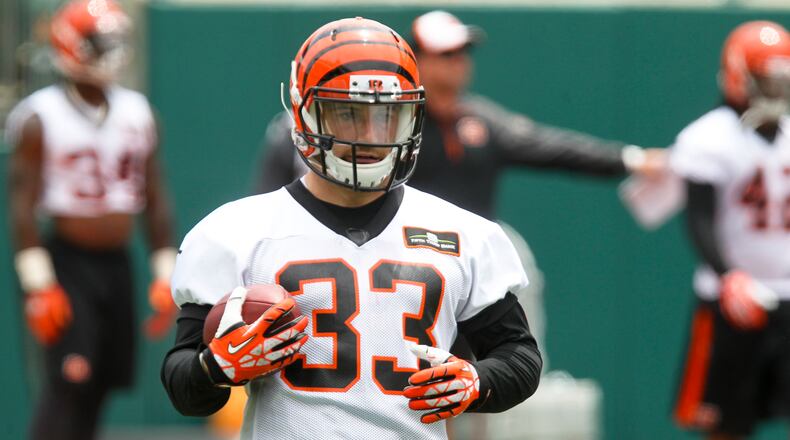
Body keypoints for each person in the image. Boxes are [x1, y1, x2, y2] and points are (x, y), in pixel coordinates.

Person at [161, 17, 542, 440]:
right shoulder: (236, 232)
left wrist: (477, 381)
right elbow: (182, 382)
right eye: (347, 113)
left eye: (387, 116)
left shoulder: (463, 234)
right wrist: (215, 367)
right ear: (304, 111)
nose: (371, 135)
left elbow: (518, 356)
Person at [5, 1, 177, 439]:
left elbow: (154, 198)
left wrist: (164, 272)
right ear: (72, 46)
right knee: (70, 380)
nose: (112, 54)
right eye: (101, 44)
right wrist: (39, 284)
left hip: (118, 262)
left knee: (102, 380)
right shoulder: (39, 116)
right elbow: (22, 205)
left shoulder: (137, 112)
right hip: (68, 262)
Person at [670, 21, 790, 440]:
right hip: (735, 299)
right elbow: (698, 217)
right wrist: (728, 276)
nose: (776, 90)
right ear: (739, 76)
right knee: (725, 423)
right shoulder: (708, 137)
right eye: (767, 80)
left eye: (783, 80)